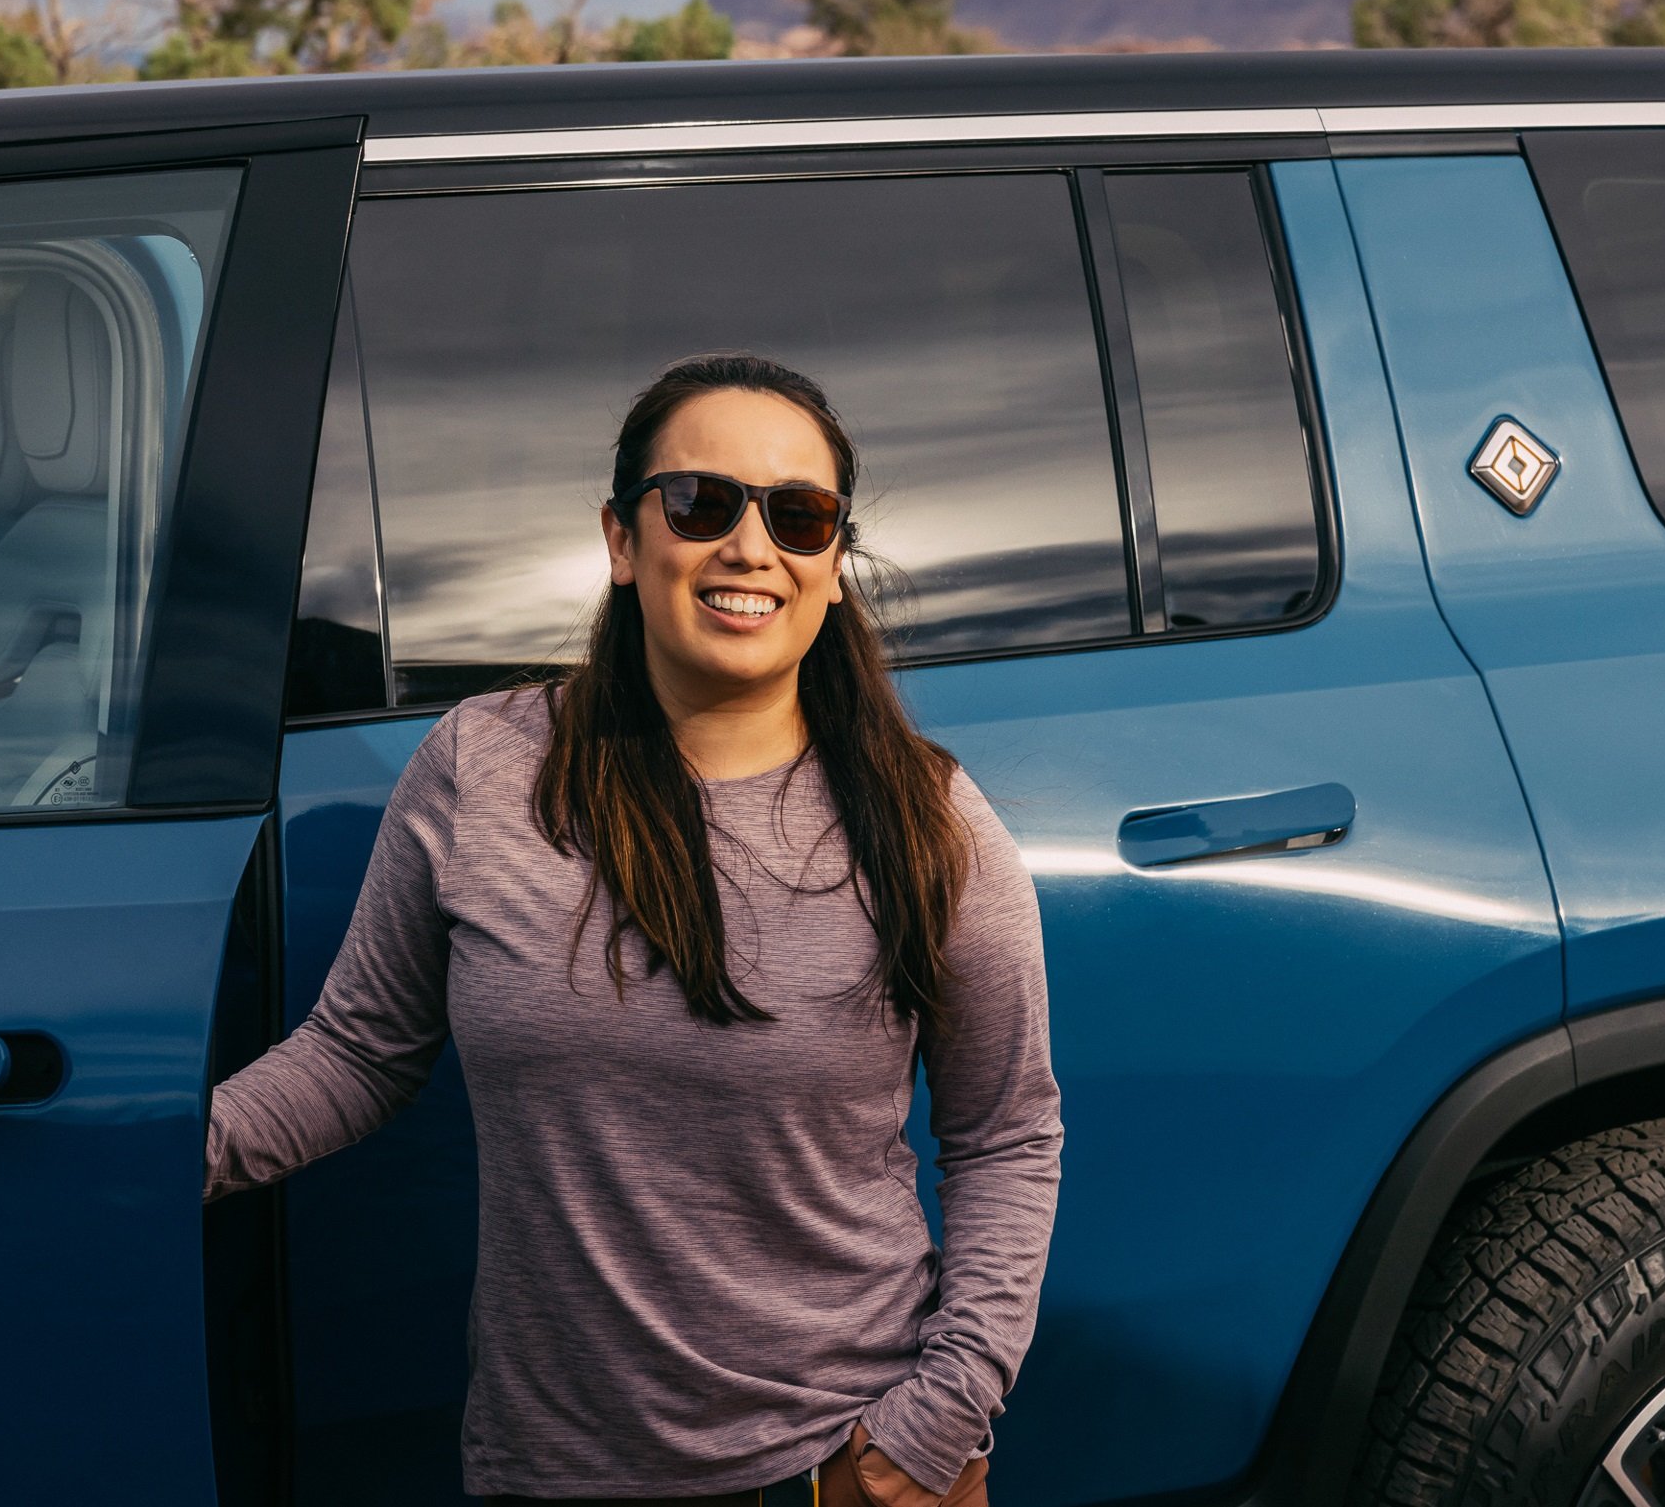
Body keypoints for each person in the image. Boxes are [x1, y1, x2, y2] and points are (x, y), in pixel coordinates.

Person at [207, 352, 1062, 1507]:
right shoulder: (484, 766)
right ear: (621, 539)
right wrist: (153, 1155)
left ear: (831, 568)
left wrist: (934, 1423)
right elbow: (358, 1052)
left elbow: (1006, 1134)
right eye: (701, 503)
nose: (750, 546)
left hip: (836, 1464)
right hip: (551, 1465)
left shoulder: (926, 817)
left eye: (799, 517)